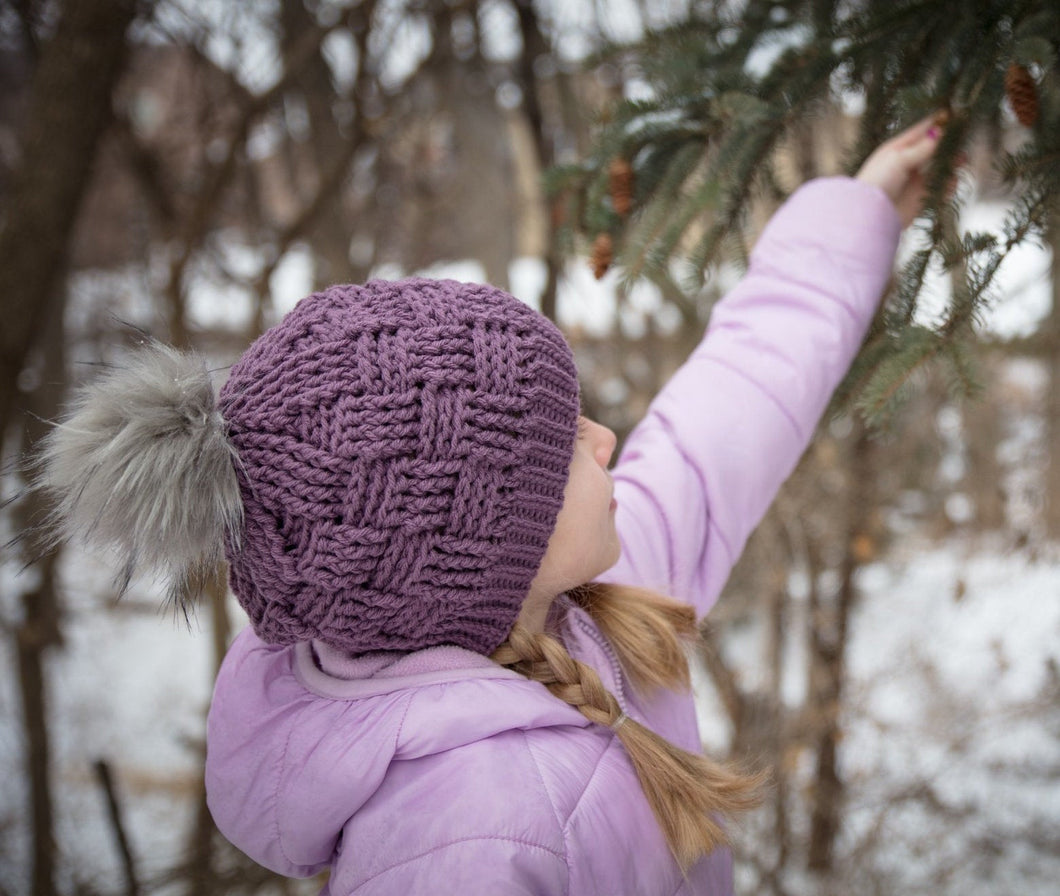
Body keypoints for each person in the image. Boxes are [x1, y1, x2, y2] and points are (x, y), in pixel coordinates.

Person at [39, 117, 943, 895]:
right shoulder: (462, 846)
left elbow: (732, 408)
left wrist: (851, 219)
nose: (605, 442)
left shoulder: (599, 605)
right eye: (561, 446)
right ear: (476, 548)